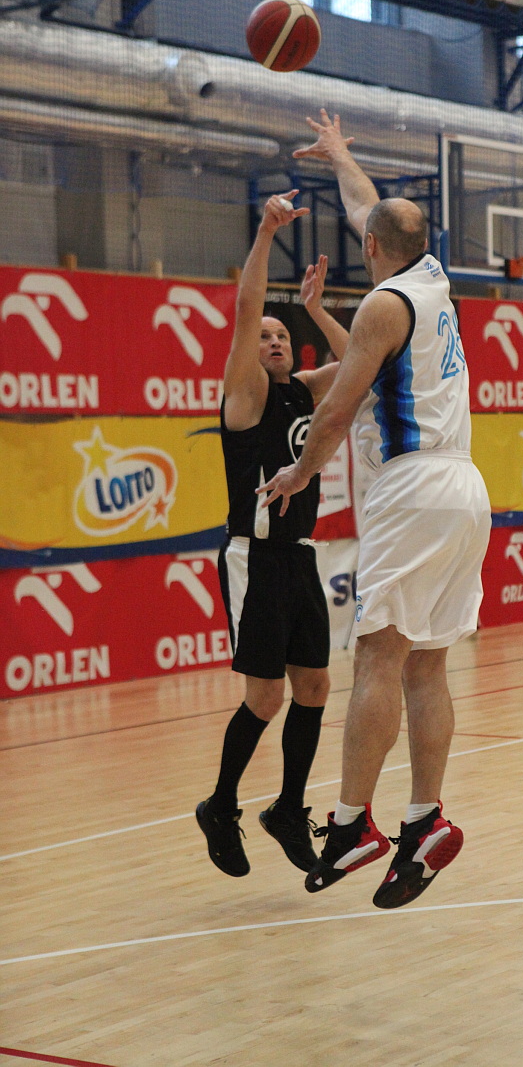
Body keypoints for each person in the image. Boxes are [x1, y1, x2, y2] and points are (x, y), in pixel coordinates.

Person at [260, 113, 491, 909]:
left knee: (378, 657)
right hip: (464, 488)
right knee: (427, 661)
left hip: (413, 487)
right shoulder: (434, 277)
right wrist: (341, 156)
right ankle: (424, 819)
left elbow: (333, 413)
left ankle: (353, 823)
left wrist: (299, 473)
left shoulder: (383, 307)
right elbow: (372, 210)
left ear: (370, 249)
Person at [196, 190, 350, 878]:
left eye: (283, 335)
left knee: (314, 686)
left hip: (300, 558)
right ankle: (220, 805)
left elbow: (363, 362)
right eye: (265, 337)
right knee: (264, 697)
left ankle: (288, 808)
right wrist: (265, 233)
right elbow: (246, 310)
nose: (274, 340)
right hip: (254, 557)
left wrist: (316, 309)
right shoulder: (246, 392)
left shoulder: (304, 389)